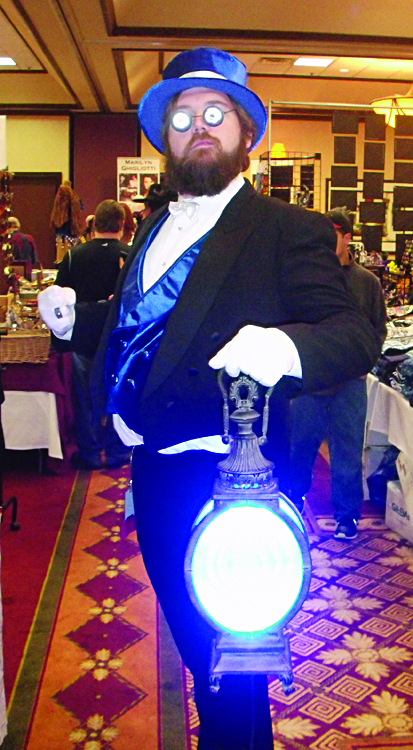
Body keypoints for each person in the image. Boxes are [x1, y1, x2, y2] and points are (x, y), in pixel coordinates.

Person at [38, 48, 381, 750]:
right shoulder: (154, 228)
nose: (198, 127)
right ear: (165, 139)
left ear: (246, 132)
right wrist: (82, 321)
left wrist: (283, 347)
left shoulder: (285, 228)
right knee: (200, 654)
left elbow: (352, 334)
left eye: (215, 114)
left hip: (231, 482)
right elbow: (148, 330)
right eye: (182, 117)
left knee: (232, 673)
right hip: (155, 473)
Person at [289, 206, 387, 540]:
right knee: (300, 450)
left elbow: (378, 329)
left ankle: (347, 517)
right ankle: (293, 504)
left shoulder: (367, 283)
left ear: (346, 238)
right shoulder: (307, 278)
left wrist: (365, 364)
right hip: (311, 383)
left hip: (349, 384)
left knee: (348, 452)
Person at [55, 199, 131, 470]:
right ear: (122, 224)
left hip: (83, 335)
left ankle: (90, 452)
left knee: (85, 397)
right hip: (118, 337)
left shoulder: (74, 256)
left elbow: (59, 299)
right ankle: (117, 451)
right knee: (117, 393)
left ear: (94, 224)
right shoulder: (131, 255)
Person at [50, 180, 83, 262]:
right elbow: (80, 208)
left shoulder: (60, 194)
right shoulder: (74, 196)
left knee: (61, 246)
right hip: (70, 226)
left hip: (62, 225)